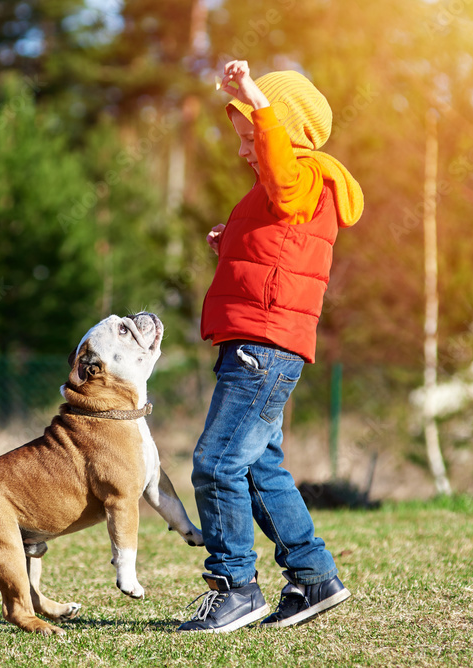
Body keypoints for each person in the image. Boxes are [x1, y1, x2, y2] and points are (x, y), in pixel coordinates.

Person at [177, 60, 364, 634]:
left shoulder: (302, 174)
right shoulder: (290, 189)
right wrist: (229, 240)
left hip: (264, 345)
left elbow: (282, 183)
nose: (245, 151)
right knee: (259, 467)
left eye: (252, 137)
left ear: (284, 130)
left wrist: (257, 98)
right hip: (260, 341)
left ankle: (234, 586)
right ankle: (313, 577)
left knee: (216, 462)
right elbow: (279, 241)